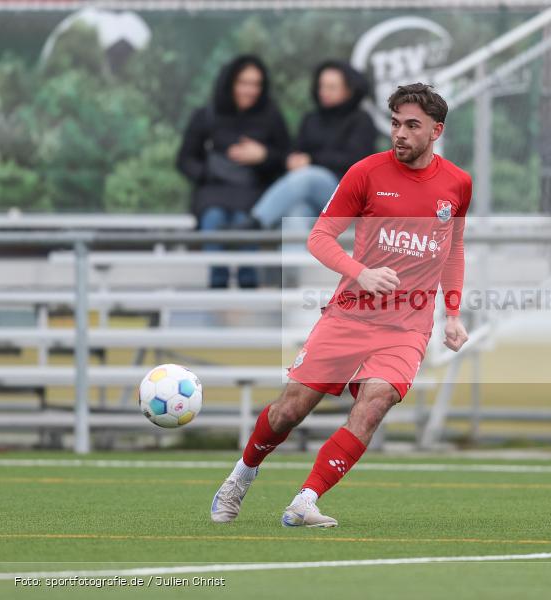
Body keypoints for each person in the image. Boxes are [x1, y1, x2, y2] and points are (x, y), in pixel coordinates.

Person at [210, 83, 471, 528]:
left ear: (436, 131)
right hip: (350, 314)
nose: (400, 134)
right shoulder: (366, 173)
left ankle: (305, 500)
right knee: (290, 410)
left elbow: (453, 249)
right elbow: (318, 237)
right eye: (395, 124)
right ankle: (241, 475)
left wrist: (453, 313)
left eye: (412, 126)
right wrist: (360, 272)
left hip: (407, 327)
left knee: (376, 402)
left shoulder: (458, 184)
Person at [176, 54, 290, 288]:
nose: (250, 90)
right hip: (213, 193)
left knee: (244, 225)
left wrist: (263, 155)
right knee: (214, 220)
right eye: (243, 83)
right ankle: (217, 288)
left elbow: (286, 159)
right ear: (230, 83)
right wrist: (210, 171)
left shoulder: (270, 116)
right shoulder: (207, 115)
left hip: (252, 192)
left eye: (256, 84)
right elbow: (185, 159)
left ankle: (248, 287)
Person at [244, 60, 377, 230]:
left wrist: (311, 160)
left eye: (332, 87)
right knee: (295, 214)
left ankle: (256, 221)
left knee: (309, 176)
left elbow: (356, 161)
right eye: (321, 86)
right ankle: (296, 257)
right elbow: (296, 150)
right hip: (316, 201)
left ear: (349, 90)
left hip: (347, 196)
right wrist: (291, 160)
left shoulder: (361, 120)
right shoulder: (311, 119)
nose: (324, 92)